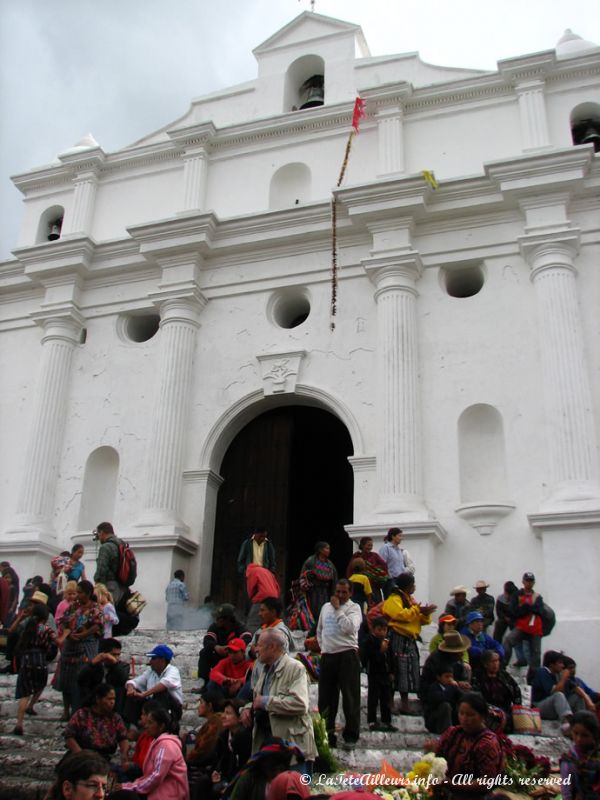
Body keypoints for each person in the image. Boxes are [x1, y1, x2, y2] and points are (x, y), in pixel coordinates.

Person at [242, 628, 317, 771]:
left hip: (294, 751)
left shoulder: (295, 668)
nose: (256, 649)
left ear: (273, 647)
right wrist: (248, 708)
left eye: (260, 645)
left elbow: (300, 704)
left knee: (294, 791)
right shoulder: (264, 670)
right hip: (269, 749)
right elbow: (260, 699)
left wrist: (265, 702)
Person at [316, 578, 362, 751]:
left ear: (350, 593)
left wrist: (338, 610)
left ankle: (351, 735)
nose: (340, 595)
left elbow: (350, 628)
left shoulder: (354, 608)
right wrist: (324, 647)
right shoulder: (325, 607)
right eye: (338, 591)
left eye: (344, 592)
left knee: (350, 696)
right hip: (328, 655)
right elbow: (320, 630)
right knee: (326, 698)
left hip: (347, 654)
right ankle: (327, 734)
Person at [432, 692, 505, 800]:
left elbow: (486, 781)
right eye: (461, 713)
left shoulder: (487, 743)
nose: (465, 719)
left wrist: (452, 784)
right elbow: (438, 757)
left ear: (482, 716)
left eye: (470, 715)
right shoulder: (453, 733)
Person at [383, 571, 436, 715]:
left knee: (409, 672)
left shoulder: (409, 599)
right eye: (413, 584)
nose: (415, 587)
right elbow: (400, 615)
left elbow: (422, 620)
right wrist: (418, 609)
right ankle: (390, 703)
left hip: (410, 639)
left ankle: (405, 704)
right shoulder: (394, 598)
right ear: (407, 585)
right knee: (395, 670)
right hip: (398, 638)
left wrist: (425, 612)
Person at [114, 704, 190, 799]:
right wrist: (130, 785)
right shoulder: (157, 742)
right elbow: (149, 776)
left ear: (161, 726)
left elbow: (156, 777)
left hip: (169, 795)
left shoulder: (166, 745)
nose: (146, 726)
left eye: (150, 723)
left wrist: (129, 787)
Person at [55, 580, 103, 720]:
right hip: (71, 646)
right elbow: (64, 622)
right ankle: (66, 710)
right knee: (66, 680)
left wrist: (82, 635)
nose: (77, 595)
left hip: (86, 646)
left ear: (88, 593)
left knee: (81, 679)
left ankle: (80, 710)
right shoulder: (73, 607)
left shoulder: (96, 609)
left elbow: (97, 626)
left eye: (80, 593)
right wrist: (68, 634)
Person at [11, 602, 57, 735]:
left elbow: (11, 630)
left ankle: (19, 723)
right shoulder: (45, 628)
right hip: (40, 660)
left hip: (26, 661)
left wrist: (20, 617)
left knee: (24, 692)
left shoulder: (27, 625)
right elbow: (56, 641)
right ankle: (31, 706)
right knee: (40, 684)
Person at [64, 682, 129, 767]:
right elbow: (69, 736)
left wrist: (124, 755)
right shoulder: (82, 714)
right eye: (109, 699)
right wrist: (80, 754)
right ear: (98, 699)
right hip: (81, 755)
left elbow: (123, 738)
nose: (112, 702)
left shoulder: (115, 718)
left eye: (114, 699)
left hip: (102, 758)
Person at [124, 644, 183, 726]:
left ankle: (159, 723)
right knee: (130, 694)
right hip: (152, 705)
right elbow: (134, 682)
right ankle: (132, 724)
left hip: (171, 709)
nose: (150, 661)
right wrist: (131, 689)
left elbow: (165, 683)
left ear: (162, 660)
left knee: (161, 693)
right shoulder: (150, 672)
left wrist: (145, 694)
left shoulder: (173, 671)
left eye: (153, 658)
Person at [531, 650, 587, 733]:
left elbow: (576, 688)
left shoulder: (557, 674)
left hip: (554, 708)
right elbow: (554, 692)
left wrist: (588, 700)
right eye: (560, 663)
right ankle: (567, 724)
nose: (563, 666)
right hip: (539, 707)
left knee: (577, 697)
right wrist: (563, 678)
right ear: (551, 664)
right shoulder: (543, 672)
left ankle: (582, 724)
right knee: (558, 695)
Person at [197, 604, 252, 686]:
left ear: (228, 619)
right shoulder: (214, 627)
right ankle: (204, 683)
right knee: (204, 652)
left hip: (236, 660)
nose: (217, 620)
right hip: (220, 658)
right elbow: (207, 640)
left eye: (220, 618)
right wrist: (216, 647)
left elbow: (247, 640)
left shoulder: (240, 627)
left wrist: (232, 649)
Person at [184, 688, 224, 800]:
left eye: (201, 702)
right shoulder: (212, 723)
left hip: (207, 767)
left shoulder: (215, 724)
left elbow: (205, 751)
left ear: (210, 706)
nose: (198, 706)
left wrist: (188, 759)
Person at [503, 571, 543, 676]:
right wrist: (528, 609)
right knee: (508, 641)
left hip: (535, 629)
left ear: (534, 583)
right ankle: (503, 665)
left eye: (531, 581)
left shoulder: (537, 596)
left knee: (536, 654)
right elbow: (513, 611)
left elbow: (539, 610)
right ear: (523, 582)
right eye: (527, 581)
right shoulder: (517, 595)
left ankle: (534, 676)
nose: (529, 583)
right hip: (521, 627)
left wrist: (524, 608)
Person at [360, 616, 396, 732]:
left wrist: (392, 671)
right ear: (373, 629)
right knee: (373, 698)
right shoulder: (368, 641)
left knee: (386, 698)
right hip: (374, 673)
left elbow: (391, 658)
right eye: (379, 629)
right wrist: (380, 651)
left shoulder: (387, 642)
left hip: (385, 674)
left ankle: (387, 721)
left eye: (384, 630)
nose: (382, 632)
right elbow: (367, 657)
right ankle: (372, 721)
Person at [420, 631, 472, 708]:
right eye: (459, 651)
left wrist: (462, 683)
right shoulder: (436, 659)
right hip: (435, 695)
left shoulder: (457, 659)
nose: (462, 654)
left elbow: (461, 677)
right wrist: (455, 683)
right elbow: (435, 681)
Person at [472, 649, 521, 732]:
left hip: (505, 708)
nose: (496, 664)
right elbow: (476, 696)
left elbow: (516, 689)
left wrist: (517, 707)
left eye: (497, 661)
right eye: (493, 661)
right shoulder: (478, 676)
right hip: (487, 710)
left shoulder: (504, 675)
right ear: (485, 664)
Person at [77, 637, 130, 714]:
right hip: (94, 701)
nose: (116, 658)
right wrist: (92, 663)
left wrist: (115, 663)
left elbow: (123, 679)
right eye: (113, 655)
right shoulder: (95, 665)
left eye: (118, 655)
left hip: (114, 703)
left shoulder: (122, 666)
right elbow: (80, 679)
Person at [559, 710, 600, 800]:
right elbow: (566, 792)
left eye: (585, 735)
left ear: (594, 736)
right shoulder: (568, 760)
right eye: (575, 733)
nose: (578, 739)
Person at [301, 541, 338, 623]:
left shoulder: (330, 564)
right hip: (312, 592)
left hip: (325, 592)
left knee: (324, 612)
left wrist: (334, 594)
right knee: (312, 613)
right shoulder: (311, 561)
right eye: (327, 548)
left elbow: (334, 580)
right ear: (320, 550)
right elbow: (303, 576)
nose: (329, 550)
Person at [208, 638, 253, 702]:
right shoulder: (225, 662)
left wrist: (239, 682)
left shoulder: (249, 663)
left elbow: (253, 677)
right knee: (212, 683)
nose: (232, 655)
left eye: (235, 652)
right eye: (230, 652)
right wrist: (226, 680)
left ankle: (236, 704)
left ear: (243, 652)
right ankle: (220, 705)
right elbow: (213, 673)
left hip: (241, 692)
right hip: (227, 689)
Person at [346, 536, 389, 602]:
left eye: (371, 545)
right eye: (368, 545)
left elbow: (384, 567)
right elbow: (350, 571)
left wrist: (375, 573)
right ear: (362, 545)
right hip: (360, 588)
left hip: (374, 587)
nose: (370, 547)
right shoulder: (356, 556)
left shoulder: (375, 556)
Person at [93, 522, 126, 607]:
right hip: (121, 587)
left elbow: (101, 569)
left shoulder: (106, 547)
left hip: (109, 586)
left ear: (102, 532)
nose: (98, 537)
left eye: (98, 534)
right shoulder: (122, 544)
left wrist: (97, 584)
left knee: (106, 613)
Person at [422, 665, 462, 735]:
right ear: (438, 677)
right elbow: (442, 698)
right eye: (447, 677)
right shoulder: (433, 688)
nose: (450, 679)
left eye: (451, 677)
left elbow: (463, 697)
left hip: (451, 719)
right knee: (445, 705)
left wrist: (457, 688)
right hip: (435, 721)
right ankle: (448, 733)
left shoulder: (453, 688)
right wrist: (452, 687)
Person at [245, 564, 281, 633]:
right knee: (273, 622)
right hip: (274, 597)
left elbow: (251, 588)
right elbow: (277, 586)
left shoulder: (252, 571)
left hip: (263, 596)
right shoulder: (267, 571)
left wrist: (252, 599)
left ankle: (254, 640)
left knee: (252, 623)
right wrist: (276, 598)